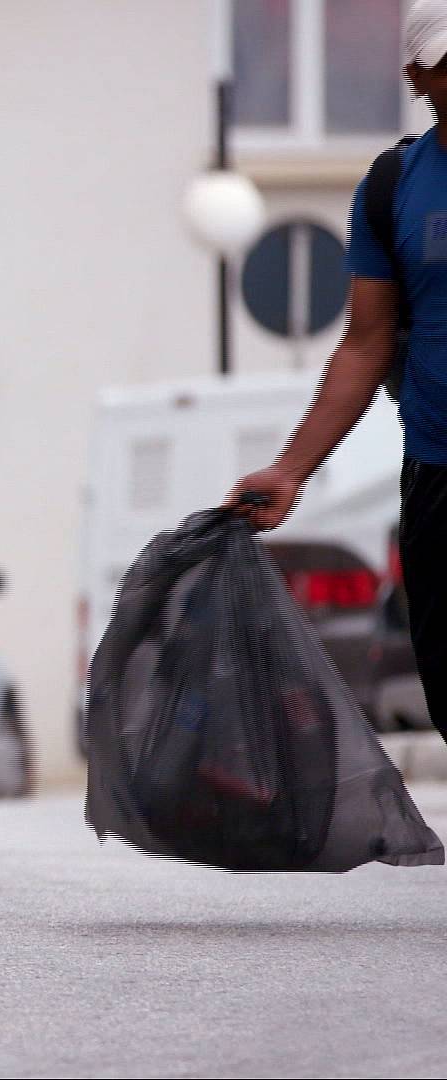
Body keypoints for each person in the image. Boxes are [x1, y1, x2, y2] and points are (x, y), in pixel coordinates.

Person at [231, 0, 447, 746]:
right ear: (418, 75)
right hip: (438, 472)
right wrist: (291, 469)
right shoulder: (393, 188)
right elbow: (365, 344)